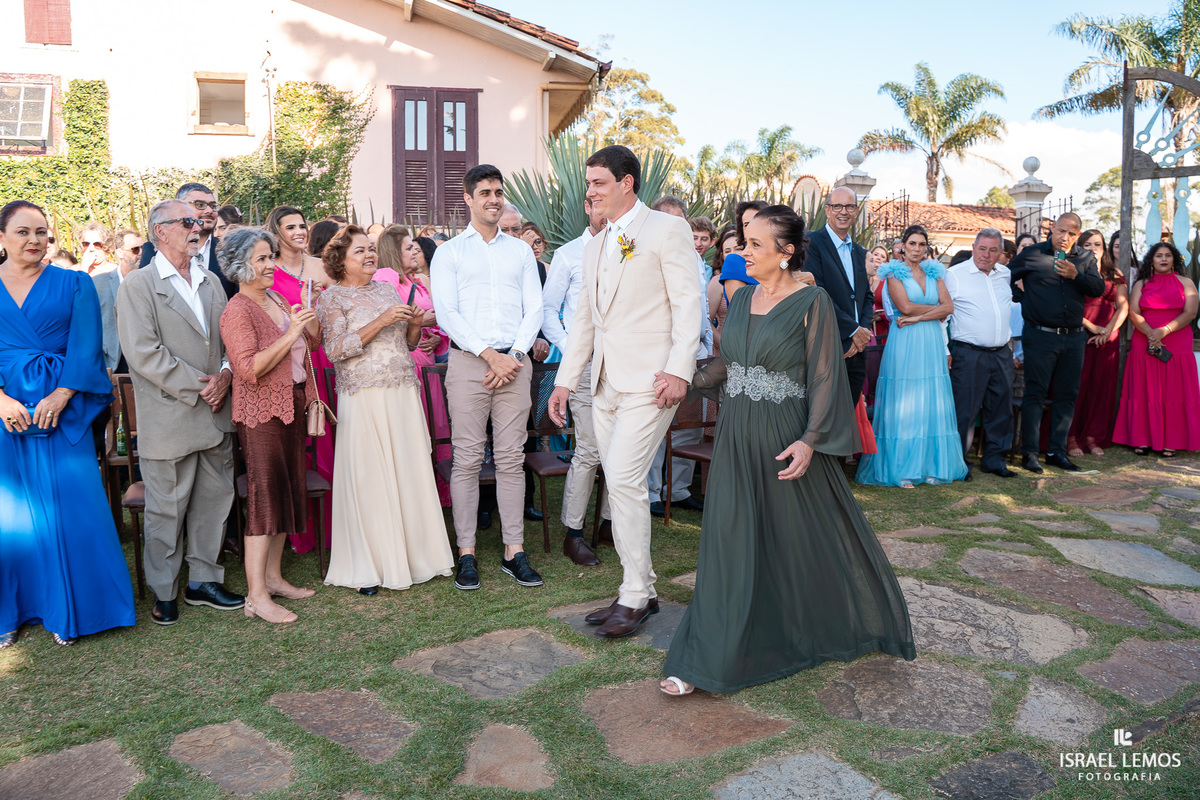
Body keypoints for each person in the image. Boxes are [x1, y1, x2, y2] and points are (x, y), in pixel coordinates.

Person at [659, 205, 915, 696]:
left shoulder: (812, 301)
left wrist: (811, 441)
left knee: (794, 538)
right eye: (741, 243)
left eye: (754, 244)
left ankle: (812, 625)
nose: (742, 252)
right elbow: (727, 366)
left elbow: (823, 376)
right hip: (736, 433)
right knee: (728, 540)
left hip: (784, 436)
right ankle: (704, 658)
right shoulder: (743, 298)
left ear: (787, 251)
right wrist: (682, 381)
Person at [548, 145, 701, 638]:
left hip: (652, 382)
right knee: (620, 480)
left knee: (622, 475)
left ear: (626, 182)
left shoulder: (666, 229)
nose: (590, 191)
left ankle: (635, 594)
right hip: (603, 384)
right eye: (589, 183)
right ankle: (642, 589)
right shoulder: (593, 244)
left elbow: (687, 303)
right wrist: (565, 381)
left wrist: (680, 369)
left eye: (598, 183)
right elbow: (587, 322)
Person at [0, 200, 136, 649]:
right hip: (7, 419)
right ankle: (15, 611)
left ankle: (79, 609)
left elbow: (86, 346)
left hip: (65, 413)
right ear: (2, 237)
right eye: (23, 232)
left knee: (76, 509)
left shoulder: (75, 283)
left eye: (42, 232)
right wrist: (1, 401)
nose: (34, 240)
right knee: (11, 516)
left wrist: (61, 394)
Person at [116, 198, 243, 625]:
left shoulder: (210, 280)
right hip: (171, 417)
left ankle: (203, 582)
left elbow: (229, 341)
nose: (198, 228)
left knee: (213, 501)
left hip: (215, 413)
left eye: (200, 222)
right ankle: (165, 590)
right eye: (187, 222)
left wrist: (226, 374)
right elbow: (143, 354)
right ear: (159, 231)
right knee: (166, 509)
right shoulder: (138, 285)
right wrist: (202, 386)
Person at [317, 224, 455, 592]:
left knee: (408, 470)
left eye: (369, 249)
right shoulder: (332, 299)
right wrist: (380, 321)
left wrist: (412, 323)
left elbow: (409, 344)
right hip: (364, 397)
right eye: (359, 251)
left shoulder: (387, 288)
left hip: (401, 392)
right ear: (340, 261)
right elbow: (335, 350)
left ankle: (417, 556)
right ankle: (373, 563)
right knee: (370, 476)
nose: (368, 255)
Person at [432, 165, 546, 591]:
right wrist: (488, 355)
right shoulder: (450, 253)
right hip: (468, 364)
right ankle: (466, 552)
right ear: (468, 198)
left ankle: (514, 551)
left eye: (498, 192)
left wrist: (513, 355)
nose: (493, 199)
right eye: (485, 192)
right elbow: (447, 314)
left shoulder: (519, 252)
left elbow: (533, 308)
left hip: (514, 365)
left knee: (512, 460)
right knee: (466, 459)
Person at [217, 227, 319, 623]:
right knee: (264, 500)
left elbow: (309, 345)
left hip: (292, 405)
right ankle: (256, 597)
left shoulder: (277, 297)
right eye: (260, 258)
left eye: (269, 257)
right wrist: (292, 331)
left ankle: (274, 578)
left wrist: (305, 325)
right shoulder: (237, 310)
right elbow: (248, 368)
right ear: (240, 266)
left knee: (288, 491)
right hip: (261, 414)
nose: (269, 265)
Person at [857, 224, 967, 488]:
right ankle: (903, 468)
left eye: (921, 244)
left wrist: (917, 316)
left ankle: (930, 466)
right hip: (905, 344)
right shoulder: (893, 273)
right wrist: (930, 310)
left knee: (930, 400)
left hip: (929, 341)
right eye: (912, 244)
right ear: (903, 246)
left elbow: (948, 307)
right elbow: (904, 306)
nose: (917, 249)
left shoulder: (935, 272)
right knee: (906, 403)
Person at [1008, 212, 1104, 473]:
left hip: (1073, 337)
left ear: (1078, 235)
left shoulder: (1085, 258)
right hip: (1040, 335)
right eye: (1061, 231)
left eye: (1072, 234)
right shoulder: (1033, 254)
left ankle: (1056, 452)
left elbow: (1097, 288)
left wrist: (1077, 275)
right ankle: (1029, 454)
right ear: (1052, 229)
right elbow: (1004, 277)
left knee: (1067, 395)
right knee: (1035, 393)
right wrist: (1023, 298)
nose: (1065, 238)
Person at [265, 205, 336, 554]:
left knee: (326, 438)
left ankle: (331, 526)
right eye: (290, 226)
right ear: (276, 232)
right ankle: (299, 531)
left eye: (302, 225)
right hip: (285, 360)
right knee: (297, 443)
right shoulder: (268, 269)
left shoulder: (320, 267)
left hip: (319, 358)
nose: (299, 231)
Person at [543, 197, 609, 566]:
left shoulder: (627, 248)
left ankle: (610, 525)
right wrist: (574, 347)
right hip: (583, 367)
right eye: (597, 203)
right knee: (590, 448)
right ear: (586, 206)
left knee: (622, 447)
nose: (604, 211)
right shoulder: (569, 254)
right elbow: (549, 310)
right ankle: (573, 533)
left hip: (623, 365)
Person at [374, 225, 451, 505]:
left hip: (426, 359)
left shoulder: (414, 281)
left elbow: (433, 318)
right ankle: (414, 497)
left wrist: (435, 337)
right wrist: (424, 323)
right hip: (408, 361)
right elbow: (389, 320)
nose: (414, 252)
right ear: (394, 252)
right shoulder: (386, 277)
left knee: (435, 426)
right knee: (415, 429)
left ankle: (436, 494)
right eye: (408, 248)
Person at [647, 194, 714, 516]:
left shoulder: (697, 261)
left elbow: (702, 306)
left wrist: (708, 345)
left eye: (679, 221)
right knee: (658, 425)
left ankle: (680, 489)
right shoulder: (649, 256)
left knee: (689, 425)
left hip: (697, 352)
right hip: (662, 354)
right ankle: (650, 494)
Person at [1112, 242, 1200, 455]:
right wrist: (1151, 333)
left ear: (1174, 260)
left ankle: (1173, 439)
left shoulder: (1186, 282)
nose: (1163, 259)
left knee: (1174, 390)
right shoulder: (1142, 284)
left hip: (1177, 340)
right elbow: (1133, 311)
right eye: (1158, 255)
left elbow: (1190, 313)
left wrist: (1164, 331)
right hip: (1145, 340)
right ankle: (1141, 438)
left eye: (1167, 255)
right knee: (1144, 387)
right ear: (1151, 260)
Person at [944, 228, 1016, 478]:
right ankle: (959, 463)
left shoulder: (1004, 274)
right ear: (973, 248)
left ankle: (995, 460)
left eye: (993, 250)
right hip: (969, 353)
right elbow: (942, 316)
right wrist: (945, 349)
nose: (986, 254)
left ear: (1001, 253)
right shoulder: (954, 275)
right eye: (982, 248)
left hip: (1000, 353)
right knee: (965, 410)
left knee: (1000, 408)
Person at [803, 187, 872, 401]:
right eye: (837, 206)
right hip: (827, 345)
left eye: (849, 206)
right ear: (827, 210)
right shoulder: (811, 243)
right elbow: (817, 293)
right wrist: (852, 330)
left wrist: (863, 332)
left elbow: (866, 297)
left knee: (845, 421)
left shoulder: (859, 252)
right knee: (822, 418)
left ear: (856, 210)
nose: (843, 211)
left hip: (856, 352)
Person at [1067, 229, 1128, 457]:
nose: (1093, 248)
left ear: (1104, 248)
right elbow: (1067, 305)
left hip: (1107, 337)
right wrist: (1092, 328)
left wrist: (1109, 331)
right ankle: (1071, 436)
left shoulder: (1115, 273)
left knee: (1101, 388)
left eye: (1097, 244)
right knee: (1077, 387)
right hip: (1079, 333)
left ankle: (1093, 436)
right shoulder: (1073, 272)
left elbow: (1123, 306)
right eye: (1088, 244)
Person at [139, 182, 237, 299]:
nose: (209, 210)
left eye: (213, 205)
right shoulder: (153, 250)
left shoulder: (230, 250)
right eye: (200, 205)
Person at [92, 229, 144, 373]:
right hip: (113, 360)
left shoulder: (153, 281)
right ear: (120, 253)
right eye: (135, 249)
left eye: (143, 248)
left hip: (145, 360)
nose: (141, 253)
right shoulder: (98, 284)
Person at [706, 228, 740, 355]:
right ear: (722, 256)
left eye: (738, 248)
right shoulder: (717, 282)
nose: (733, 254)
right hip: (725, 350)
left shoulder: (759, 279)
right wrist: (725, 347)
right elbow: (706, 322)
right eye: (727, 251)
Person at [690, 215, 717, 285]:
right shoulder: (677, 266)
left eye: (704, 239)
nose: (698, 244)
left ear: (712, 242)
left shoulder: (712, 273)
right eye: (694, 238)